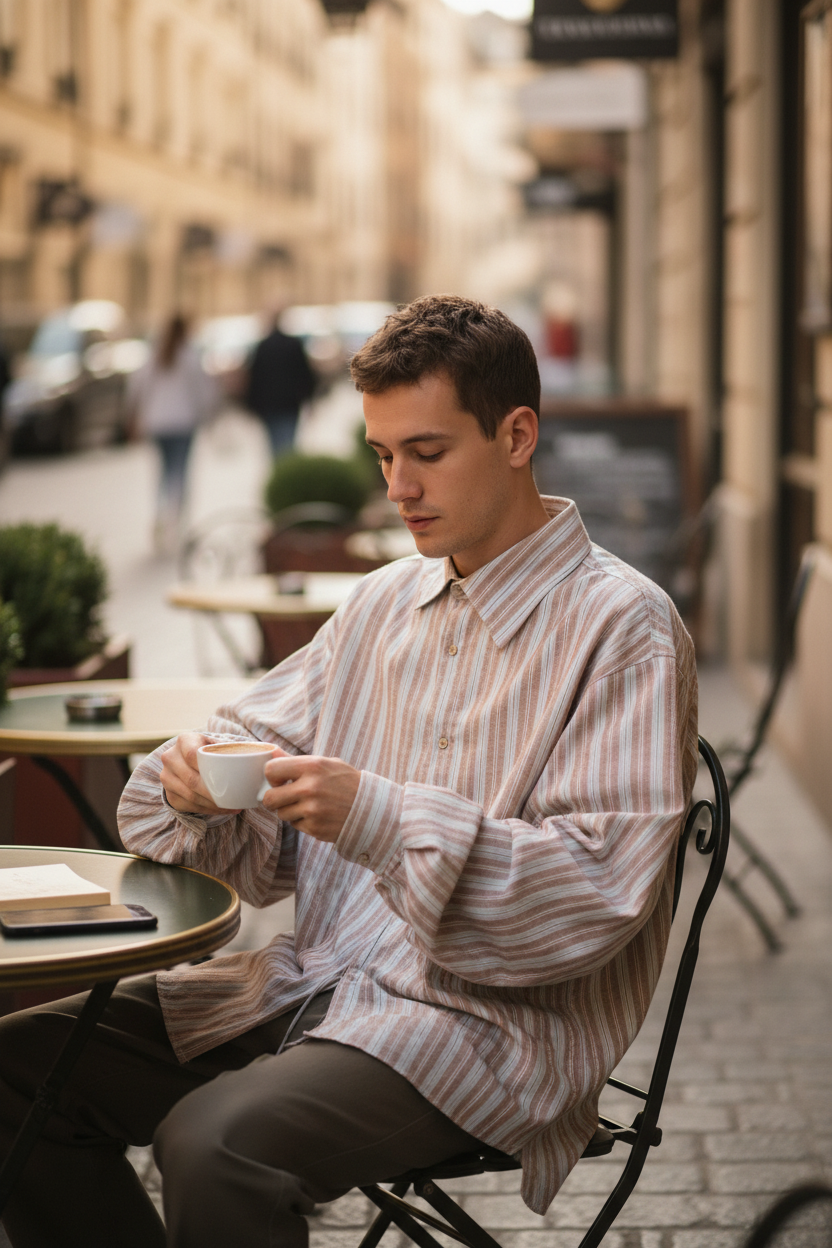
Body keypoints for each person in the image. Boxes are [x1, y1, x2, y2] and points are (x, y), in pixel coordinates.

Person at [0, 295, 698, 1248]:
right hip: (312, 984)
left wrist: (376, 816)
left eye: (427, 451)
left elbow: (592, 894)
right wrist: (191, 782)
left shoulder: (626, 627)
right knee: (10, 1072)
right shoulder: (382, 602)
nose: (398, 487)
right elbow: (240, 740)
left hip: (484, 1032)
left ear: (518, 434)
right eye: (382, 456)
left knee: (212, 1147)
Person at [126, 313, 218, 551]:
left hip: (157, 424)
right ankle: (175, 521)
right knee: (180, 474)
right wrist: (207, 417)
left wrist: (135, 417)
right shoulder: (189, 357)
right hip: (182, 423)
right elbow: (203, 392)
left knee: (163, 474)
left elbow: (136, 388)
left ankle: (160, 514)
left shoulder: (155, 355)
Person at [243, 312, 316, 456]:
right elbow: (305, 375)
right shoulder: (293, 344)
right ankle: (286, 470)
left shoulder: (262, 346)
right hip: (289, 404)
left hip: (269, 405)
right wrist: (309, 398)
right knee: (288, 443)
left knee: (274, 443)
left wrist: (251, 405)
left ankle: (280, 470)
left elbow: (254, 378)